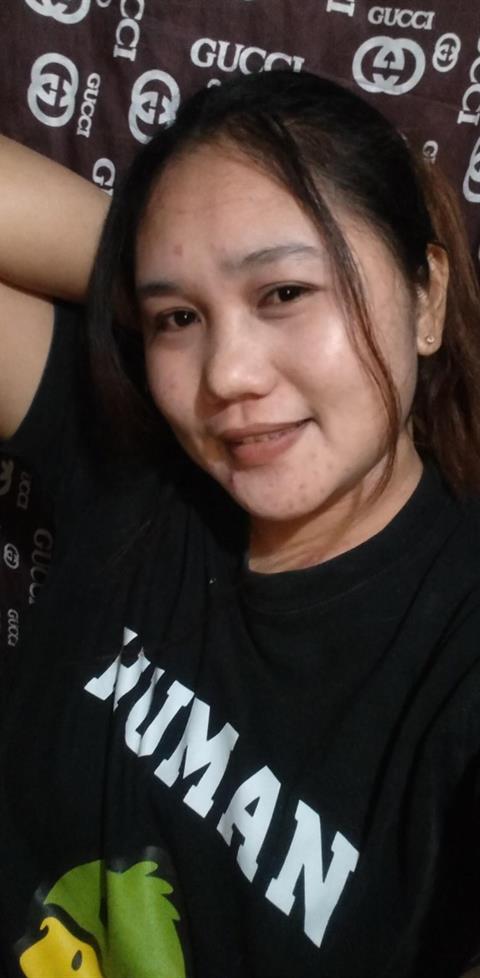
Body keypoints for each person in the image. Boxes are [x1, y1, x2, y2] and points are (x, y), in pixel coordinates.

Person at [1, 70, 480, 978]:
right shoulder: (142, 468)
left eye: (285, 293)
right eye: (179, 319)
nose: (226, 375)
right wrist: (154, 255)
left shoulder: (455, 654)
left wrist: (194, 274)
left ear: (426, 299)